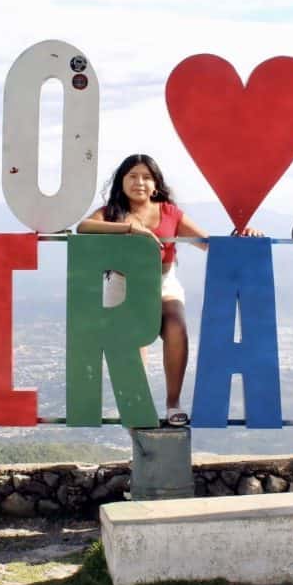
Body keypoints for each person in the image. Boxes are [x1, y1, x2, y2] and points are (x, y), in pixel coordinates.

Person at [76, 153, 261, 427]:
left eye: (146, 177)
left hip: (162, 282)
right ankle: (138, 404)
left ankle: (173, 403)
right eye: (132, 176)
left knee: (176, 327)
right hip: (124, 286)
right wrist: (129, 229)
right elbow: (83, 228)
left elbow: (207, 243)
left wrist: (241, 236)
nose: (139, 182)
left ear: (156, 185)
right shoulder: (111, 212)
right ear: (121, 182)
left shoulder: (169, 212)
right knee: (133, 341)